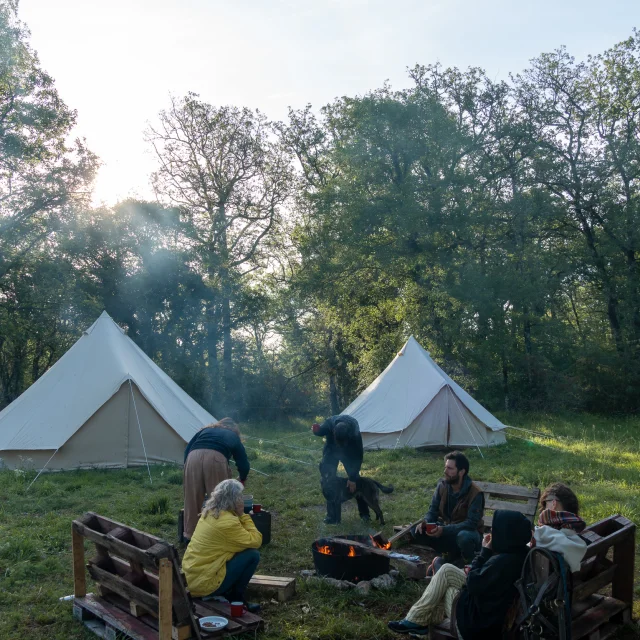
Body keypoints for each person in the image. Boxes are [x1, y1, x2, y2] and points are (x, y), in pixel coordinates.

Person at [388, 509, 532, 638]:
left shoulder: (502, 563)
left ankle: (417, 622)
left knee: (445, 585)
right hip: (486, 615)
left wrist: (484, 552)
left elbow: (472, 582)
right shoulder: (517, 553)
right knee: (445, 572)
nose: (491, 532)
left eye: (495, 529)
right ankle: (417, 621)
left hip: (475, 626)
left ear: (506, 534)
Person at [182, 479, 262, 612]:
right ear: (234, 500)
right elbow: (256, 540)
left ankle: (229, 592)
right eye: (240, 496)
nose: (242, 499)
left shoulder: (209, 511)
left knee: (239, 549)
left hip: (191, 578)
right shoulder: (228, 522)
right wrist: (243, 515)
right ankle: (236, 598)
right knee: (252, 555)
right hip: (204, 584)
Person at [410, 451, 484, 565]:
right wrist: (427, 523)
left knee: (463, 537)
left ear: (461, 472)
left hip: (468, 534)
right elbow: (432, 511)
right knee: (416, 530)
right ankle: (449, 554)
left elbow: (471, 524)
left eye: (450, 468)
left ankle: (469, 561)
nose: (445, 471)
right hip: (448, 530)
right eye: (445, 467)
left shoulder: (475, 493)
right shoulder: (443, 486)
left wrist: (444, 530)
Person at [183, 418, 250, 541]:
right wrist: (242, 478)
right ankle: (220, 534)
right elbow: (243, 463)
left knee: (192, 499)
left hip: (192, 457)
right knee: (221, 499)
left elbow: (187, 450)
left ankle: (190, 536)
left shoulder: (205, 430)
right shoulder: (233, 435)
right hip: (215, 459)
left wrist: (188, 470)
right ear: (234, 429)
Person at [312, 414, 367, 524]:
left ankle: (365, 514)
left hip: (349, 454)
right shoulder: (329, 424)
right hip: (331, 452)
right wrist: (316, 430)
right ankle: (332, 517)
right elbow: (320, 431)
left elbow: (358, 456)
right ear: (333, 432)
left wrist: (352, 478)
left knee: (356, 481)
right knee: (329, 482)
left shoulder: (354, 431)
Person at [533, 482, 587, 572]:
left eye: (545, 503)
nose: (543, 509)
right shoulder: (574, 529)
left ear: (553, 504)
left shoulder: (544, 535)